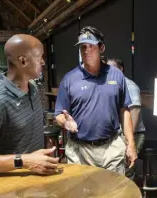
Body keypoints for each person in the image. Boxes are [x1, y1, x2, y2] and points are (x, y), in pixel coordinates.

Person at [0, 34, 59, 175]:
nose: (43, 62)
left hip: (35, 180)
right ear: (23, 61)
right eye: (39, 58)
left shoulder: (32, 89)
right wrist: (24, 161)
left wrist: (46, 144)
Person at [55, 26, 137, 174]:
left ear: (101, 47)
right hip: (80, 151)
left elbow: (124, 111)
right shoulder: (69, 79)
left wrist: (131, 144)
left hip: (111, 149)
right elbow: (59, 114)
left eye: (91, 46)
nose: (86, 50)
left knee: (113, 194)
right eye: (82, 47)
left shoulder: (116, 75)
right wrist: (64, 122)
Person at [107, 57, 145, 179]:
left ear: (121, 69)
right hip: (118, 134)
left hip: (134, 134)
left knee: (126, 170)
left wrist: (129, 140)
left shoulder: (129, 85)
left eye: (112, 68)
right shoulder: (112, 84)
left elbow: (135, 112)